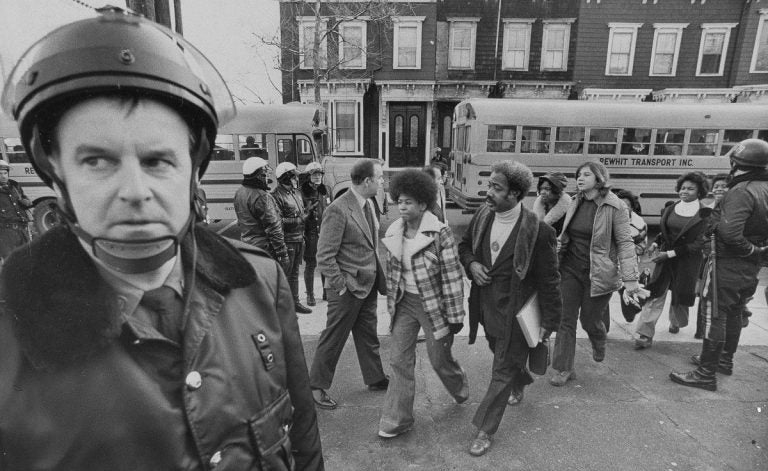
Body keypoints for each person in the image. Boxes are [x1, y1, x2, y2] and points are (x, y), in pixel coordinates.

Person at [0, 9, 323, 470]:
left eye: (157, 160)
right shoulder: (8, 332)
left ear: (193, 170)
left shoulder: (259, 281)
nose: (134, 191)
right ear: (56, 175)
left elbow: (303, 436)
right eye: (97, 160)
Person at [458, 160, 562, 457]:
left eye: (496, 188)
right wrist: (472, 264)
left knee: (501, 370)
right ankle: (522, 379)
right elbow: (464, 247)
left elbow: (550, 280)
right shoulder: (482, 215)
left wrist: (549, 322)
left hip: (517, 316)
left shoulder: (538, 231)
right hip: (487, 309)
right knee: (500, 355)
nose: (487, 192)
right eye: (489, 185)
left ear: (515, 194)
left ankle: (485, 430)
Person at [671, 139, 768, 391]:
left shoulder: (741, 190)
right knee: (734, 311)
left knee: (715, 314)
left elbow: (730, 233)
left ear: (736, 162)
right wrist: (757, 252)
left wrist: (749, 250)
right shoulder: (764, 187)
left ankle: (705, 373)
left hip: (728, 262)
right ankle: (723, 360)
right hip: (749, 266)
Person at [377, 170, 468, 439]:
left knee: (439, 359)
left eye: (408, 202)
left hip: (434, 307)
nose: (402, 207)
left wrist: (455, 315)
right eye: (399, 201)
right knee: (398, 361)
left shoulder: (440, 233)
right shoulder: (394, 231)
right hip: (404, 304)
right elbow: (393, 275)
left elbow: (452, 275)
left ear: (423, 204)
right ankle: (398, 419)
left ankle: (459, 385)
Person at [550, 161, 643, 387]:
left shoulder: (616, 206)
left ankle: (598, 338)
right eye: (578, 174)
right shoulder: (574, 202)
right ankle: (563, 368)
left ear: (599, 178)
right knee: (565, 319)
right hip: (570, 269)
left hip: (599, 273)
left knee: (590, 320)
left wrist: (630, 279)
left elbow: (624, 242)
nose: (580, 178)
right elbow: (565, 235)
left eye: (586, 175)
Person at [309, 158, 389, 410]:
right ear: (367, 181)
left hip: (367, 283)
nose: (382, 182)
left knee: (368, 334)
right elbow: (324, 255)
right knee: (334, 337)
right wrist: (341, 285)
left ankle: (375, 377)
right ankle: (316, 387)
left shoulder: (369, 204)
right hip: (347, 288)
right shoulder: (338, 209)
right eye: (379, 178)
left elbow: (370, 244)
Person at [633, 172, 709, 349]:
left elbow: (699, 243)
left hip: (687, 261)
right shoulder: (671, 208)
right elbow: (665, 231)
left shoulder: (705, 213)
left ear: (700, 192)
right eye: (683, 188)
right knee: (655, 293)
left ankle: (676, 322)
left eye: (690, 189)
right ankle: (644, 334)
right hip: (665, 259)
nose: (685, 191)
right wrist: (656, 243)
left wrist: (670, 254)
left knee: (680, 296)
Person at [273, 161, 315, 314]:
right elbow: (279, 220)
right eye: (292, 177)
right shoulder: (275, 195)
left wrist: (307, 212)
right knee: (286, 273)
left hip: (299, 238)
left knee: (295, 272)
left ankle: (295, 302)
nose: (295, 180)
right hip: (288, 239)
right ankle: (284, 306)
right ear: (285, 178)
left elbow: (302, 212)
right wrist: (300, 219)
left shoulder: (296, 192)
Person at [233, 157, 290, 270]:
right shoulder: (262, 196)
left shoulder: (239, 192)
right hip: (264, 250)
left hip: (247, 246)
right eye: (265, 174)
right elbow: (274, 227)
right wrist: (282, 254)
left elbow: (240, 222)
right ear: (258, 175)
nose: (267, 177)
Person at [301, 161, 330, 306]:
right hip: (310, 232)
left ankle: (326, 292)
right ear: (308, 177)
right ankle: (310, 295)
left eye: (319, 174)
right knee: (311, 264)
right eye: (314, 175)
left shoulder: (325, 190)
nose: (318, 177)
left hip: (324, 231)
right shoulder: (303, 192)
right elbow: (301, 215)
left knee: (325, 263)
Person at [0, 159, 32, 262]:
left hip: (22, 230)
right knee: (12, 263)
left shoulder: (14, 186)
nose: (3, 176)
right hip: (6, 233)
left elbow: (27, 201)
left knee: (28, 260)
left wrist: (25, 202)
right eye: (0, 173)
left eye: (5, 173)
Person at [531, 171, 571, 236]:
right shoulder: (537, 208)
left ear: (557, 190)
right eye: (541, 189)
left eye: (547, 189)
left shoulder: (570, 210)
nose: (542, 192)